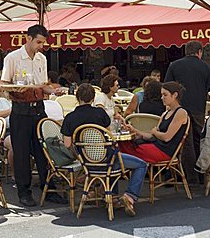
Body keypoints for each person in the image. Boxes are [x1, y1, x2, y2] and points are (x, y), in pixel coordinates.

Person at [1, 24, 65, 207]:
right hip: (20, 109)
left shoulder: (42, 59)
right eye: (38, 42)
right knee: (21, 152)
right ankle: (24, 191)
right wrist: (15, 90)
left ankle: (48, 187)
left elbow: (43, 85)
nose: (40, 46)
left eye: (43, 43)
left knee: (43, 149)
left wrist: (53, 91)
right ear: (28, 38)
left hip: (38, 107)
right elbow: (4, 84)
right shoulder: (12, 58)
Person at [61, 83, 147, 216]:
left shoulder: (69, 118)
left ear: (77, 97)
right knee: (141, 164)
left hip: (86, 162)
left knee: (113, 162)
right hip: (107, 159)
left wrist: (82, 153)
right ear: (93, 98)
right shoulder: (100, 113)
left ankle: (109, 195)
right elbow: (109, 132)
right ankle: (129, 196)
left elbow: (67, 144)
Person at [164, 40, 210, 184]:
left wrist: (169, 108)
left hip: (179, 109)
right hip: (198, 109)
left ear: (185, 51)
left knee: (184, 142)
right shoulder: (206, 67)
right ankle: (199, 174)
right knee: (197, 141)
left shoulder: (174, 65)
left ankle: (187, 176)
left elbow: (167, 88)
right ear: (199, 52)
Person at [122, 82, 189, 163]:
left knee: (124, 150)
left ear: (174, 95)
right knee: (123, 144)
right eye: (161, 95)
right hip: (155, 146)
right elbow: (151, 136)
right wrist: (134, 130)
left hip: (164, 151)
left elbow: (167, 137)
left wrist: (155, 132)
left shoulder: (181, 112)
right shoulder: (165, 113)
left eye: (165, 95)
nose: (162, 98)